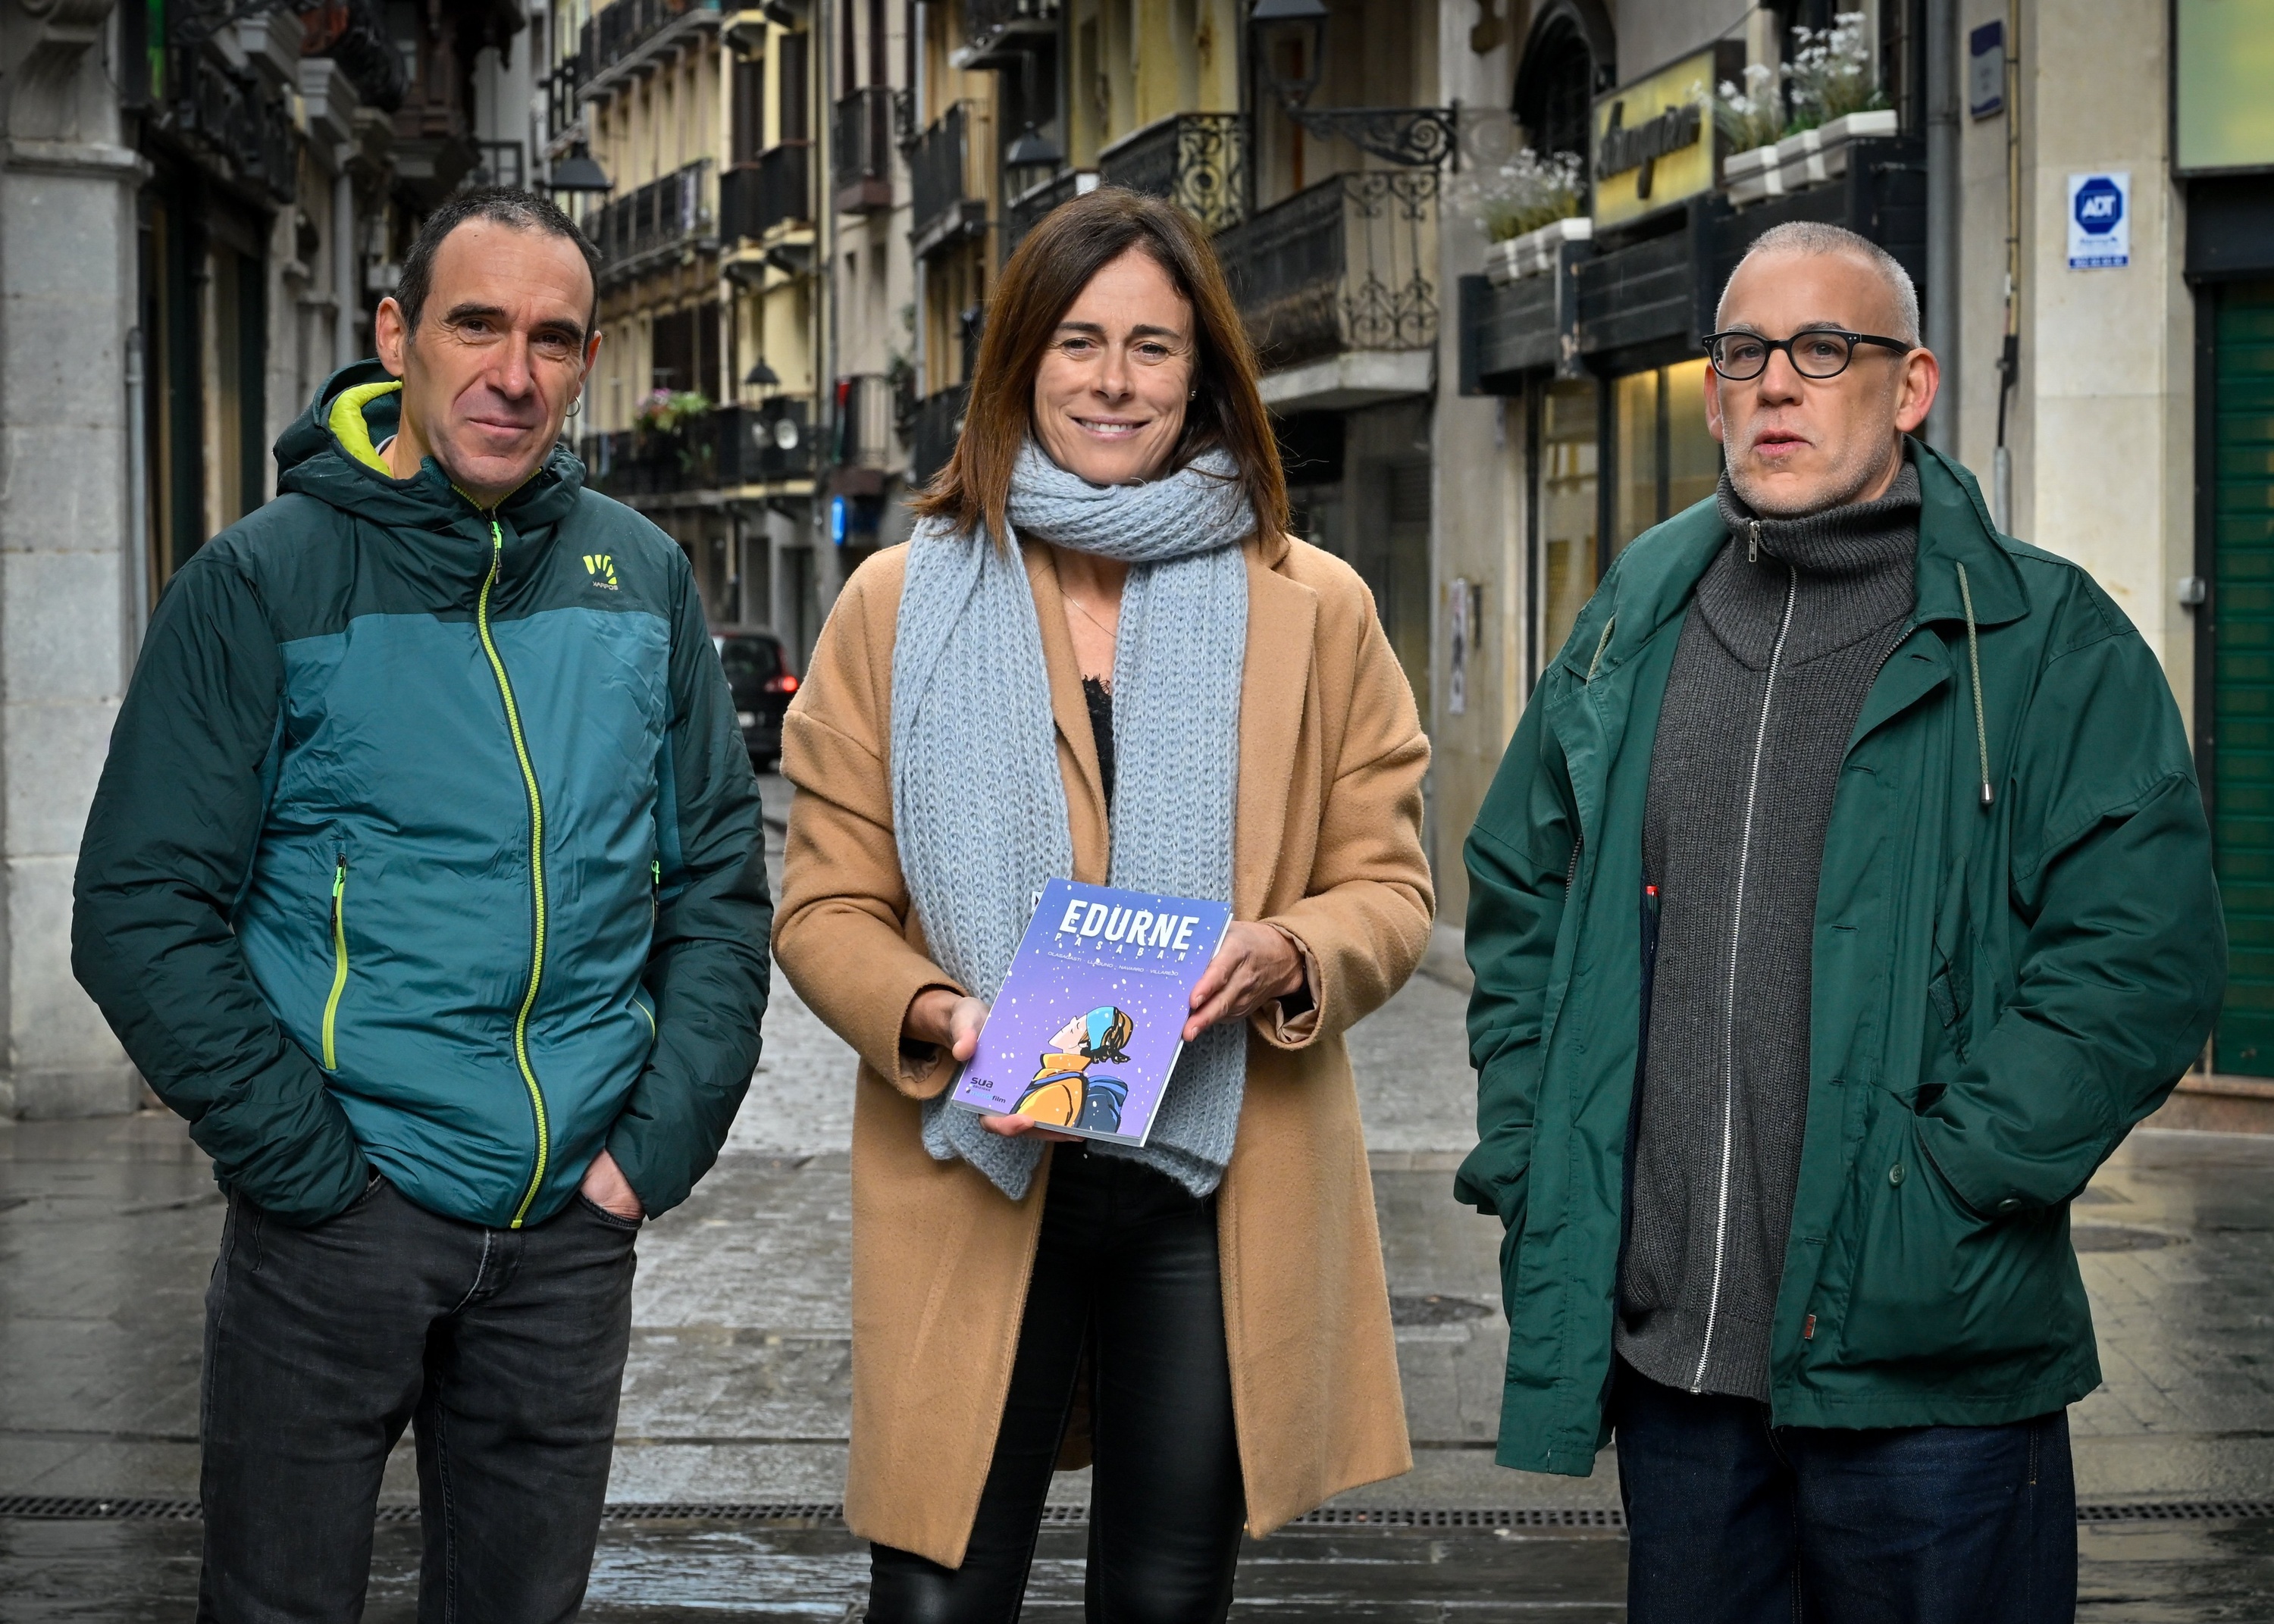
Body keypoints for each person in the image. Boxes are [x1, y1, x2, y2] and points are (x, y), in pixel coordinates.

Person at [1458, 220, 2223, 1623]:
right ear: (1711, 390)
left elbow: (2140, 961)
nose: (1777, 386)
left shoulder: (2043, 640)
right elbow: (1521, 893)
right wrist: (1535, 1148)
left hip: (1925, 1364)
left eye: (1825, 350)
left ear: (1912, 385)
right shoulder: (1639, 617)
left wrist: (1944, 1186)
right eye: (1744, 353)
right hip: (1676, 1367)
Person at [71, 188, 771, 1622]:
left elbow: (718, 887)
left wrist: (651, 1149)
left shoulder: (640, 576)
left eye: (554, 339)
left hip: (570, 1231)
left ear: (586, 362)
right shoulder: (262, 580)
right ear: (398, 336)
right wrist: (312, 1173)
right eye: (477, 325)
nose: (514, 372)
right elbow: (138, 906)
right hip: (336, 1227)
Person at [772, 186, 1433, 1622]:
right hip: (974, 1165)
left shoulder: (1312, 605)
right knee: (938, 1595)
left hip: (1212, 1183)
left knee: (1164, 1597)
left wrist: (1292, 949)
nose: (1114, 380)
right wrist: (944, 1014)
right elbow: (824, 908)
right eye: (1079, 342)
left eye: (1152, 344)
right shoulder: (897, 602)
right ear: (1020, 362)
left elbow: (1388, 884)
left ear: (1202, 372)